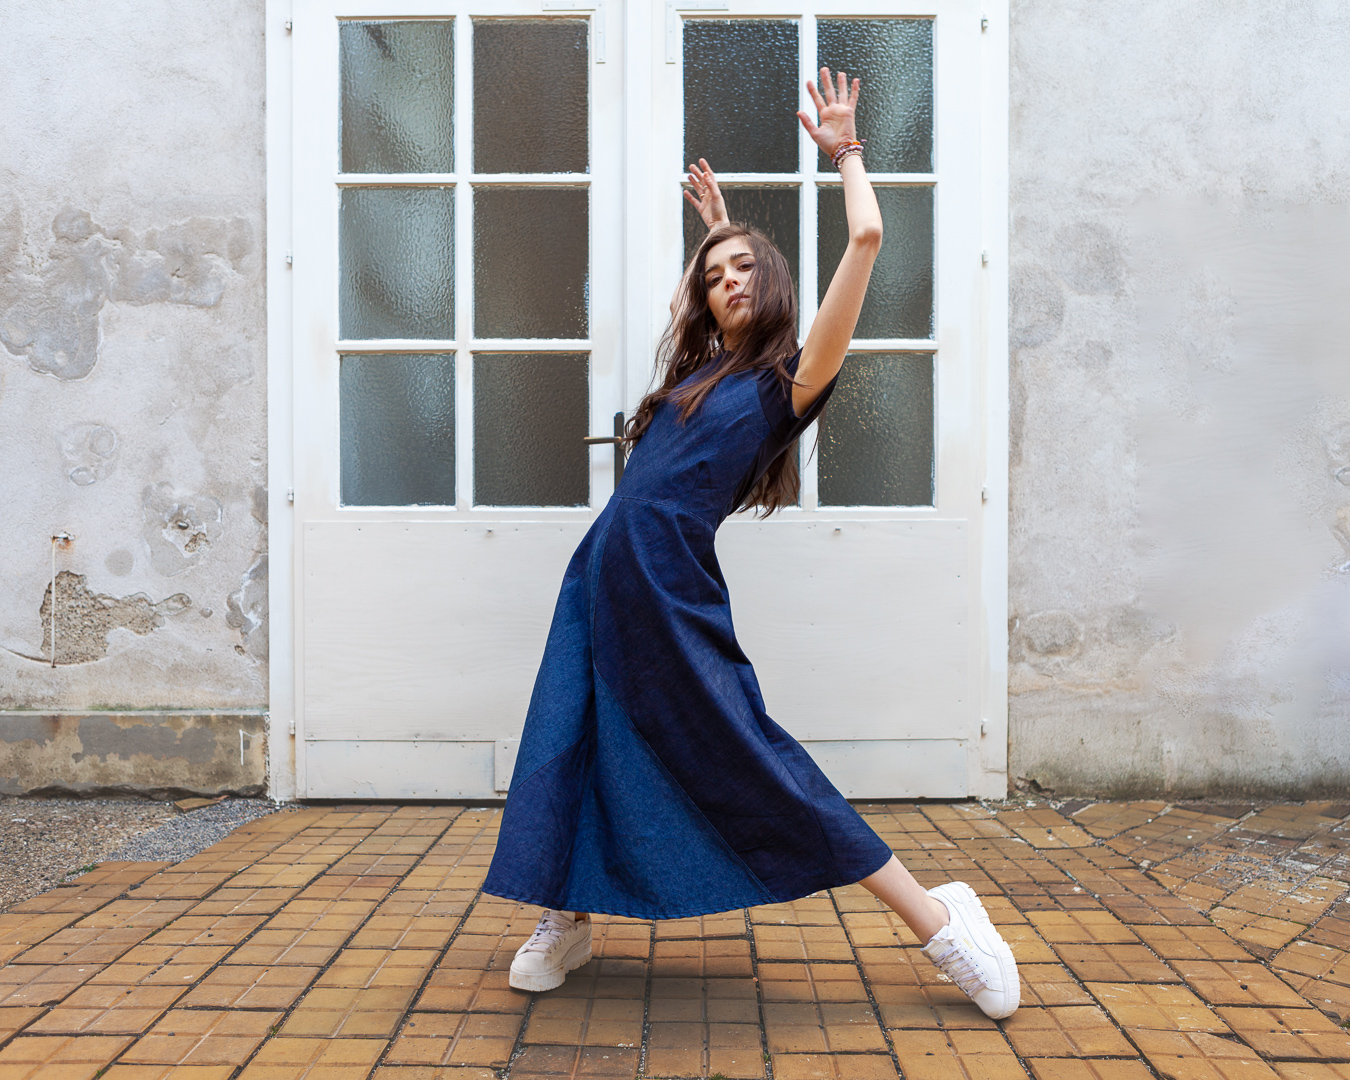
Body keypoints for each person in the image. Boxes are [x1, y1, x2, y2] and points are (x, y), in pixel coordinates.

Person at [481, 68, 1019, 1020]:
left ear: (774, 287)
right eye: (713, 276)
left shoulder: (791, 380)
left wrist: (847, 152)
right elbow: (708, 295)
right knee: (581, 737)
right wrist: (718, 229)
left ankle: (940, 920)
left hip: (672, 587)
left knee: (748, 753)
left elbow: (867, 238)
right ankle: (567, 915)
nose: (727, 282)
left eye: (744, 271)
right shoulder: (697, 373)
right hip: (602, 576)